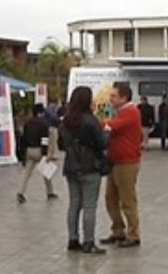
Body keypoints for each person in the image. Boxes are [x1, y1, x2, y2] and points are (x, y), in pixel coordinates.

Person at [60, 86, 108, 254]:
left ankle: (73, 239)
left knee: (74, 204)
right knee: (89, 206)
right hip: (90, 167)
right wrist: (107, 133)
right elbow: (102, 143)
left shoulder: (65, 121)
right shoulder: (91, 120)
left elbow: (61, 145)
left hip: (71, 167)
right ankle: (89, 242)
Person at [101, 83, 144, 248]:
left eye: (114, 96)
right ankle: (118, 230)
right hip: (115, 160)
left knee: (127, 199)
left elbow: (110, 127)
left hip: (127, 162)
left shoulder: (130, 112)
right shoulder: (120, 112)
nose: (110, 99)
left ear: (124, 97)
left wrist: (93, 122)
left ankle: (133, 234)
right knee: (110, 198)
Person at [17, 104, 57, 203]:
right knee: (46, 171)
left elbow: (23, 138)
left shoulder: (27, 123)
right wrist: (45, 153)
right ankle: (50, 192)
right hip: (39, 150)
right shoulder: (44, 124)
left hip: (29, 150)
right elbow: (44, 140)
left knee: (26, 173)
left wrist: (23, 152)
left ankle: (21, 192)